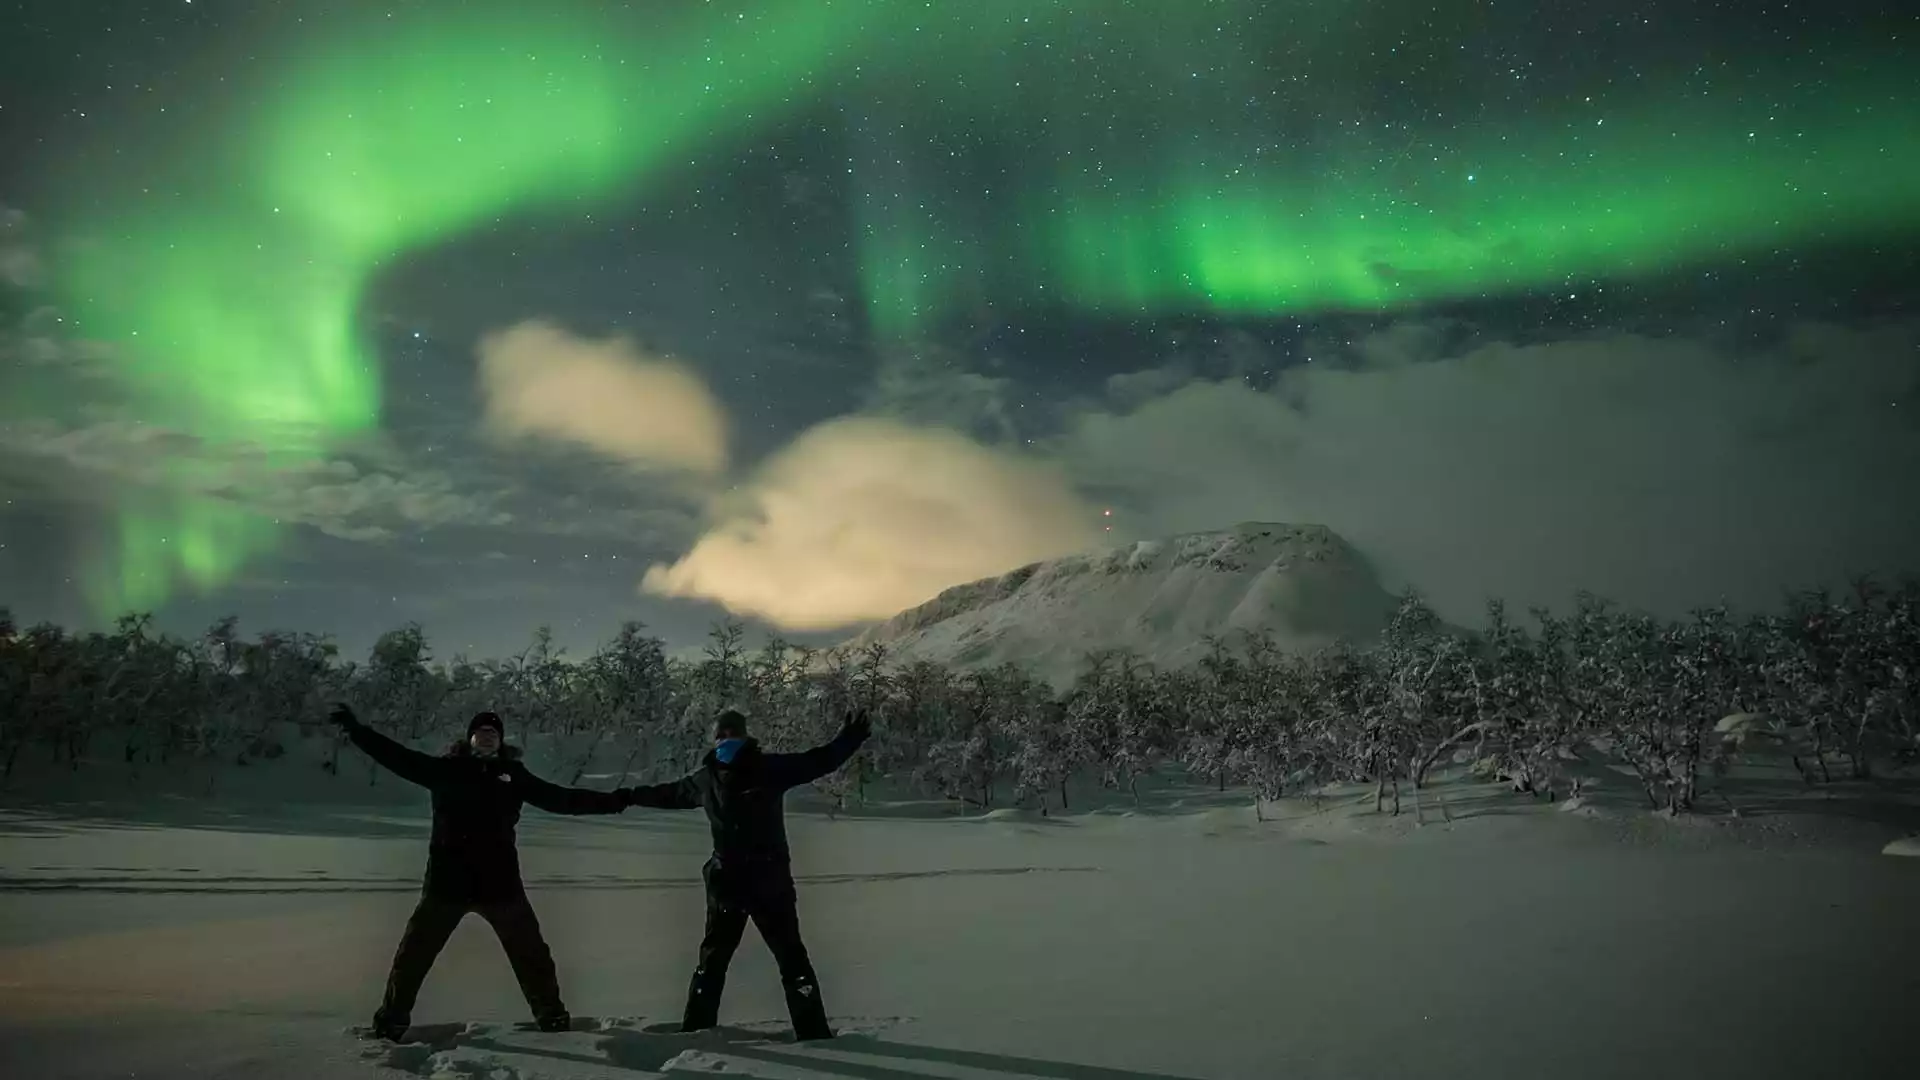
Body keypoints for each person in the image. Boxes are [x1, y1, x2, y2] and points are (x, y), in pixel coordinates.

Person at [328, 704, 635, 1041]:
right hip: (447, 884)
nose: (486, 738)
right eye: (481, 732)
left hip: (500, 885)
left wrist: (613, 801)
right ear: (470, 738)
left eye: (493, 734)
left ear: (500, 741)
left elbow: (561, 799)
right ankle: (390, 1023)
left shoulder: (513, 775)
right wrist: (357, 732)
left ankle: (553, 1020)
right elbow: (397, 757)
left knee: (532, 956)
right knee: (413, 956)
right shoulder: (446, 770)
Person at [625, 707, 872, 1042]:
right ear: (715, 738)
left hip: (768, 883)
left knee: (791, 959)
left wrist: (849, 739)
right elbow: (666, 794)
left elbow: (820, 760)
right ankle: (695, 1030)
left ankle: (814, 1036)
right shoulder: (706, 778)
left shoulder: (769, 768)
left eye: (732, 733)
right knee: (714, 962)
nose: (726, 740)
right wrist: (627, 796)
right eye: (722, 734)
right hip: (729, 885)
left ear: (744, 735)